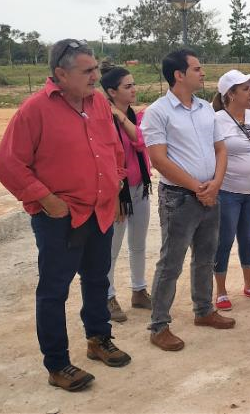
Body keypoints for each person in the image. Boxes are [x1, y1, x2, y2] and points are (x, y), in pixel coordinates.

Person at [0, 39, 130, 391]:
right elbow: (7, 163)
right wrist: (47, 200)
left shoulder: (98, 102)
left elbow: (113, 148)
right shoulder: (34, 110)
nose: (96, 76)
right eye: (88, 71)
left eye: (96, 68)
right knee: (54, 291)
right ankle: (57, 364)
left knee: (98, 279)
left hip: (99, 210)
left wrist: (115, 189)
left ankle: (98, 339)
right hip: (60, 218)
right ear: (60, 74)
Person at [141, 49, 235, 352]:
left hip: (210, 194)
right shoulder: (158, 112)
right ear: (178, 75)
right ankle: (159, 325)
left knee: (206, 256)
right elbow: (159, 160)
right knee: (171, 262)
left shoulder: (206, 108)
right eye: (197, 68)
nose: (202, 72)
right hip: (180, 199)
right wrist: (198, 188)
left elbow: (221, 149)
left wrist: (216, 184)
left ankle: (204, 310)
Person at [211, 70, 250, 311]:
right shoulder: (216, 120)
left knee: (248, 238)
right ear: (230, 94)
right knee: (224, 240)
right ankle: (221, 291)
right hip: (228, 193)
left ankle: (249, 285)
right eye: (245, 89)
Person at [99, 65, 153, 323]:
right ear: (111, 92)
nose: (134, 90)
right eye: (127, 86)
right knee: (112, 247)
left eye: (134, 84)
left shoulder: (136, 117)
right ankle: (107, 296)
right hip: (117, 193)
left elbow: (142, 142)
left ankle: (139, 290)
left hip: (140, 187)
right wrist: (116, 194)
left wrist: (121, 117)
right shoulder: (101, 122)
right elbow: (106, 159)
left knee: (138, 243)